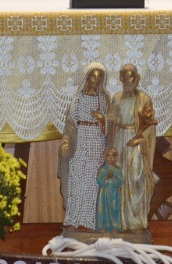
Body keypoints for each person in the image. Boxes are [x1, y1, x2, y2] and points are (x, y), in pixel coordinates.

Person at [59, 62, 110, 230]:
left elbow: (112, 122)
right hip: (81, 140)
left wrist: (102, 119)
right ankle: (76, 217)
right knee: (78, 178)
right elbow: (71, 122)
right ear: (87, 77)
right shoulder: (78, 98)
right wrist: (67, 140)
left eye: (99, 76)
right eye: (93, 76)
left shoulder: (104, 99)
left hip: (97, 140)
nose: (96, 79)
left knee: (94, 180)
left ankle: (94, 219)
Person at [107, 63, 157, 232]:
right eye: (126, 77)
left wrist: (139, 139)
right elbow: (110, 123)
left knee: (136, 178)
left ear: (137, 78)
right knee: (119, 178)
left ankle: (136, 220)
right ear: (121, 78)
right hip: (119, 141)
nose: (129, 80)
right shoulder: (115, 98)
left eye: (132, 76)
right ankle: (119, 220)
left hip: (136, 143)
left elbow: (150, 125)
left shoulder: (144, 99)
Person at [95, 147, 124, 233]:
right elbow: (99, 180)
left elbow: (120, 181)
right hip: (104, 193)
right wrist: (107, 179)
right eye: (108, 156)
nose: (110, 158)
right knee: (104, 209)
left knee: (114, 209)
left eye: (112, 156)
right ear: (105, 157)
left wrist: (114, 179)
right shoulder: (102, 169)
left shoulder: (117, 169)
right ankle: (102, 226)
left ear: (115, 158)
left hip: (114, 194)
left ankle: (115, 226)